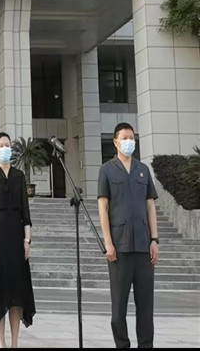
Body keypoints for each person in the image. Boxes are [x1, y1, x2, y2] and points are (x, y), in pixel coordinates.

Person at [98, 122, 159, 348]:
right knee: (118, 310)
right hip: (119, 248)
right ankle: (122, 345)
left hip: (143, 247)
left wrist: (154, 240)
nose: (129, 142)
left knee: (146, 307)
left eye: (131, 137)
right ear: (116, 142)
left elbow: (150, 205)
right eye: (124, 138)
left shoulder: (143, 169)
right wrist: (108, 243)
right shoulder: (107, 170)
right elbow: (103, 207)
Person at [0, 132, 35, 348]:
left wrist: (27, 241)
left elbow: (26, 212)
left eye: (8, 145)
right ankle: (2, 344)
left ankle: (14, 343)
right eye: (1, 145)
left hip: (16, 241)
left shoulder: (19, 176)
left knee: (16, 295)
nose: (5, 148)